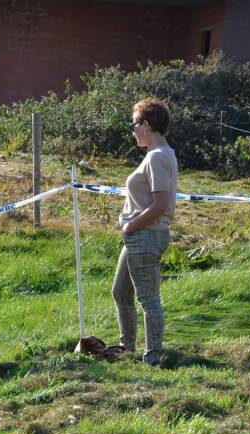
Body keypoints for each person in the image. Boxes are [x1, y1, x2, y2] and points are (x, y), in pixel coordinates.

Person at [111, 98, 178, 367]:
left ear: (146, 125)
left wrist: (131, 225)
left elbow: (160, 204)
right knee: (120, 291)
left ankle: (153, 357)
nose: (133, 131)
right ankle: (127, 347)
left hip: (146, 234)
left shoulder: (158, 157)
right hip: (140, 235)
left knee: (148, 299)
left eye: (135, 124)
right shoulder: (160, 155)